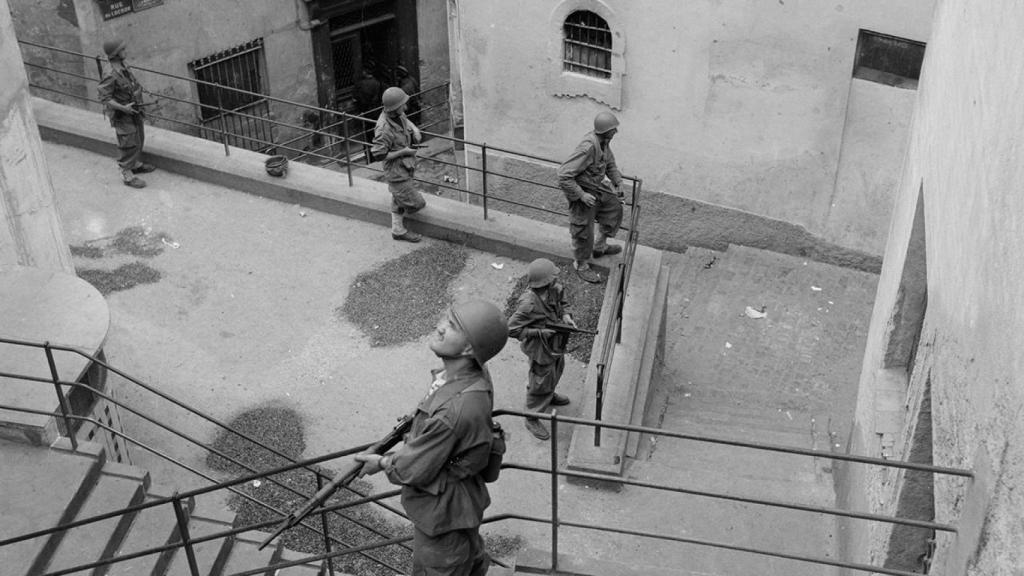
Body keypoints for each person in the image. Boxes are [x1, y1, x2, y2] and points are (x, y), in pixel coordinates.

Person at [355, 300, 508, 576]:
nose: (439, 328)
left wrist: (380, 463)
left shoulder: (454, 411)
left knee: (438, 568)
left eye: (451, 326)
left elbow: (413, 468)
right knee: (467, 558)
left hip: (443, 516)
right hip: (459, 505)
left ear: (469, 348)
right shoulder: (468, 375)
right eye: (446, 320)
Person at [507, 258, 576, 440]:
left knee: (556, 370)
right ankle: (531, 416)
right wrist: (539, 333)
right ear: (545, 281)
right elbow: (511, 329)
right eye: (552, 277)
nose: (556, 279)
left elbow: (563, 303)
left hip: (555, 343)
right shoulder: (528, 304)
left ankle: (549, 394)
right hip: (540, 348)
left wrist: (567, 316)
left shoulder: (555, 289)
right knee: (539, 382)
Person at [557, 111, 626, 283]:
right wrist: (581, 195)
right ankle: (581, 265)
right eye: (613, 129)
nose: (616, 132)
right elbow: (563, 175)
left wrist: (618, 182)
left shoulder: (605, 143)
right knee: (583, 231)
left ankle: (599, 247)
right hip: (583, 192)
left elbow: (609, 164)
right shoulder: (588, 147)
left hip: (596, 188)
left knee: (614, 208)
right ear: (605, 131)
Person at [97, 38, 154, 189]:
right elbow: (105, 98)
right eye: (123, 50)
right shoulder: (110, 73)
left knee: (139, 138)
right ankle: (126, 173)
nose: (126, 51)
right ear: (115, 54)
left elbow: (130, 82)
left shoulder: (122, 65)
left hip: (134, 109)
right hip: (123, 114)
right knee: (128, 143)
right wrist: (123, 109)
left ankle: (134, 164)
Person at [372, 86, 427, 242]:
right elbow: (379, 155)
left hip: (405, 167)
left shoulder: (396, 114)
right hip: (396, 172)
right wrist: (404, 152)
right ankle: (401, 201)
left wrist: (414, 129)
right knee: (418, 203)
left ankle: (398, 230)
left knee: (399, 198)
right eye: (403, 104)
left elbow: (404, 118)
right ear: (395, 108)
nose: (406, 107)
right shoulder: (384, 129)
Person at [353, 66, 383, 152]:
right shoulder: (377, 83)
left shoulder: (361, 84)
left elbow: (357, 98)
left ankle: (370, 152)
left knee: (368, 134)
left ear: (365, 73)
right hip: (376, 111)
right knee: (377, 131)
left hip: (366, 112)